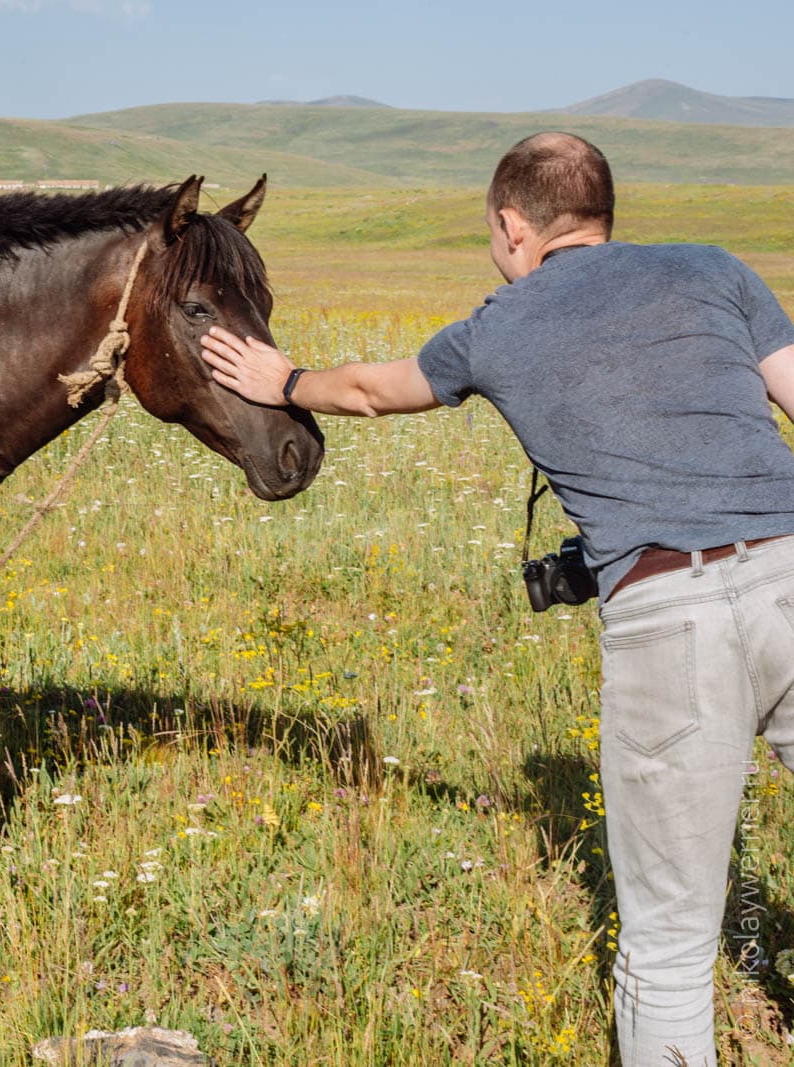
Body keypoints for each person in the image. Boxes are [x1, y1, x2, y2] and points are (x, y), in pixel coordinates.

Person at [200, 131, 794, 1066]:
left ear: (515, 227)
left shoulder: (499, 326)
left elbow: (370, 391)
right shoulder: (714, 269)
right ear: (601, 214)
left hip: (666, 618)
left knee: (672, 944)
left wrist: (284, 380)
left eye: (492, 233)